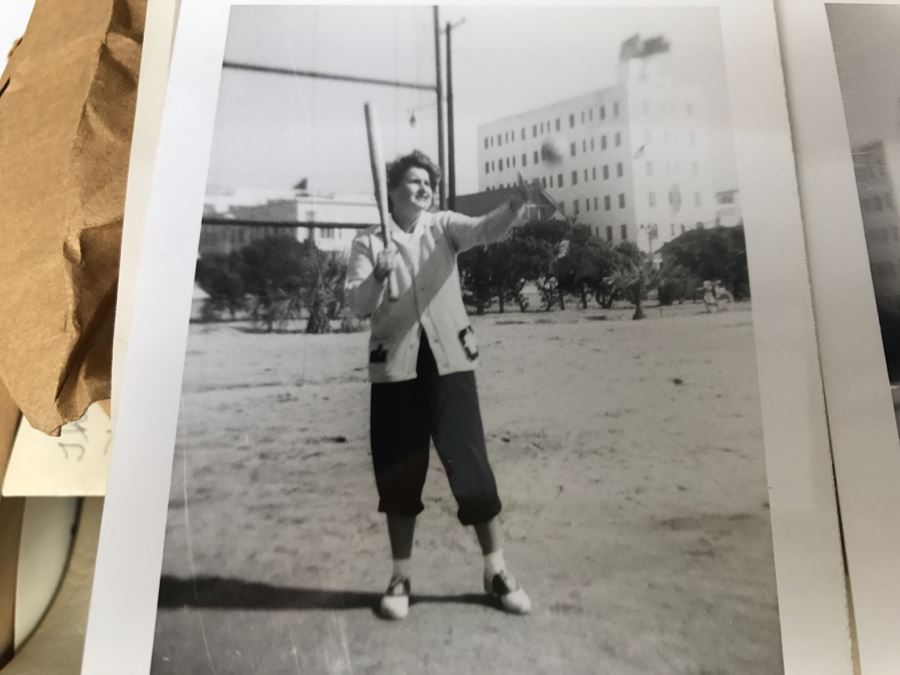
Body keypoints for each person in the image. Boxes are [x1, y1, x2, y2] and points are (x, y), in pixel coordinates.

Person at [345, 149, 533, 620]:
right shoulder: (368, 243)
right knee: (399, 473)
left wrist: (512, 206)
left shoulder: (444, 225)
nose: (425, 187)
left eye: (429, 181)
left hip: (450, 365)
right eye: (414, 181)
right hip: (395, 371)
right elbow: (357, 306)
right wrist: (379, 275)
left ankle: (497, 570)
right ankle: (400, 577)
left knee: (470, 466)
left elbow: (483, 229)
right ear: (391, 189)